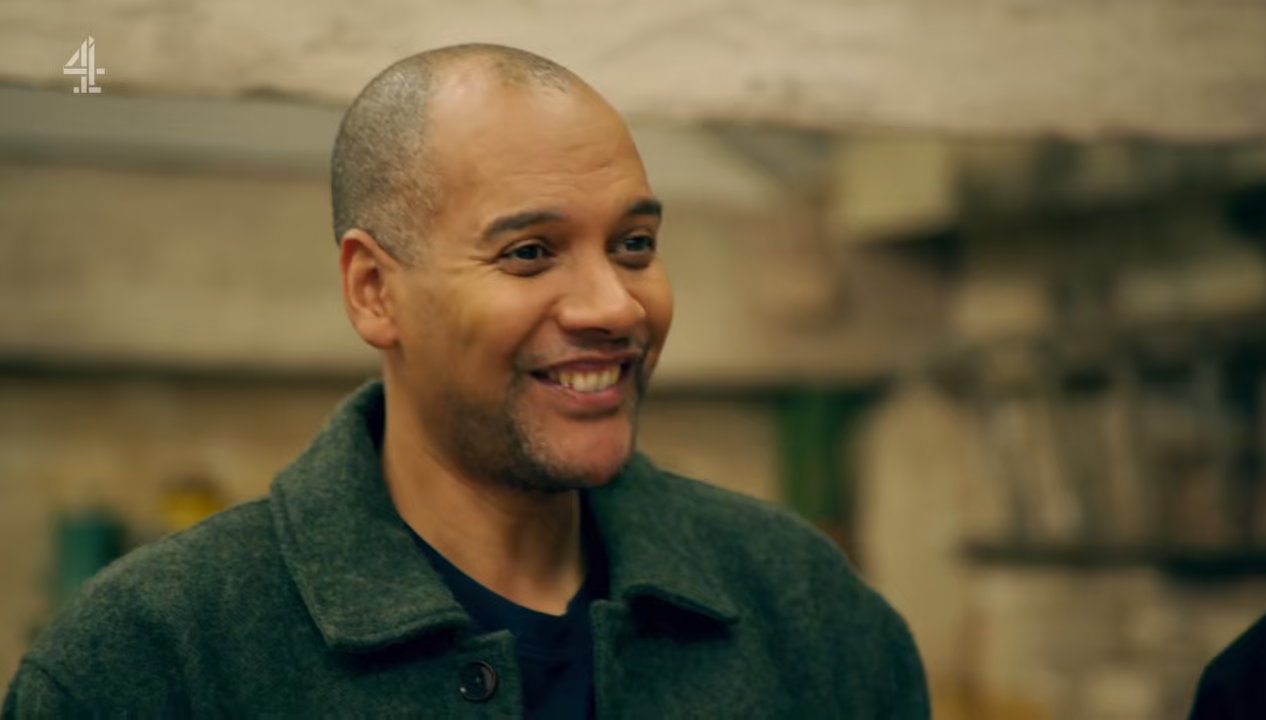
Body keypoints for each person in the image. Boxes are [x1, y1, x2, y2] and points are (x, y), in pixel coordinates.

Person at [2, 44, 929, 718]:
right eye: (529, 252)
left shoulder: (808, 612)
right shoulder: (150, 661)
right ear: (375, 292)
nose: (615, 305)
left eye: (634, 244)